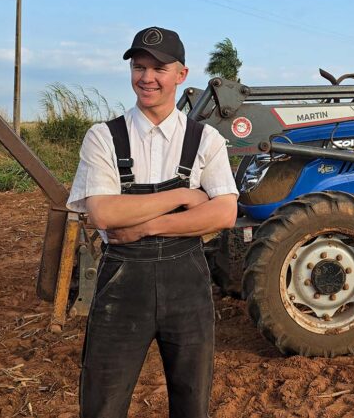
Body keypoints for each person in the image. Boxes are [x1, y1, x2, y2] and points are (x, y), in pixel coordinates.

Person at [67, 26, 238, 418]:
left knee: (192, 400)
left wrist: (146, 225)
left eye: (159, 68)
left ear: (181, 74)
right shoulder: (104, 137)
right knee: (102, 401)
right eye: (139, 67)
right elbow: (104, 214)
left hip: (187, 284)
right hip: (122, 285)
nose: (147, 78)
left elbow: (224, 213)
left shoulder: (205, 139)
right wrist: (182, 198)